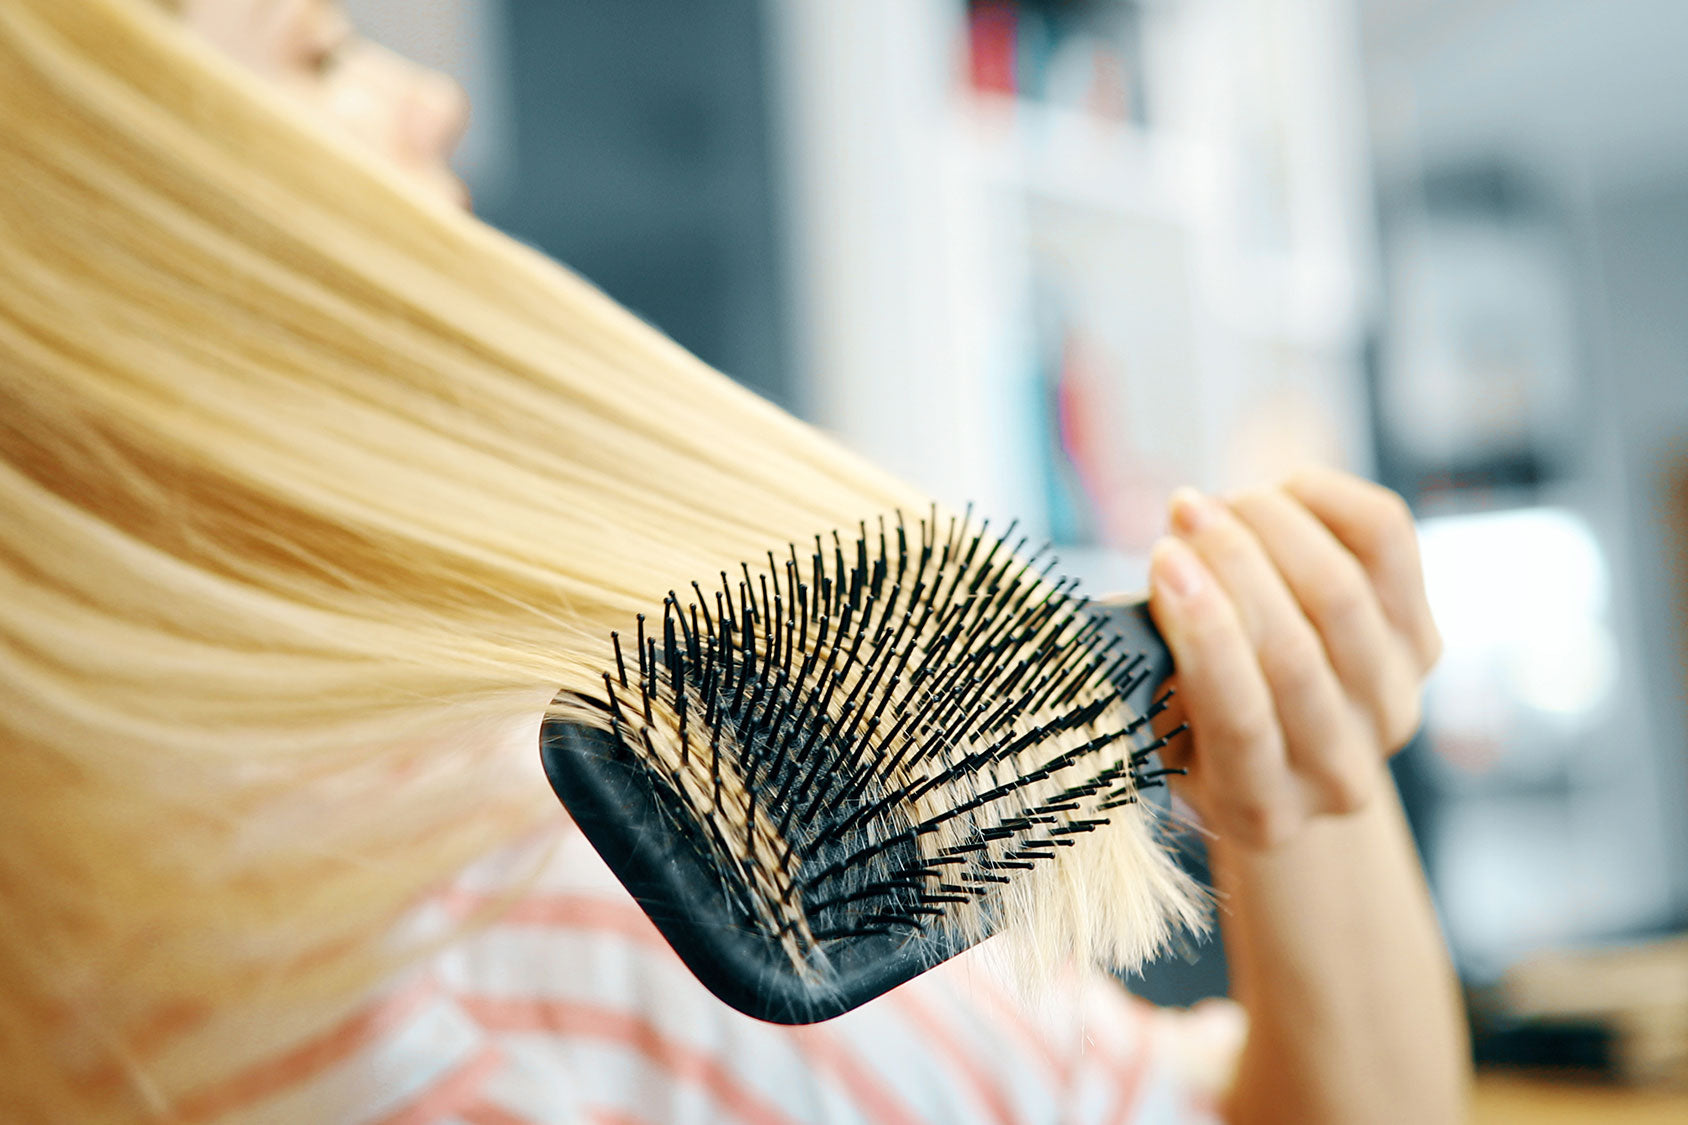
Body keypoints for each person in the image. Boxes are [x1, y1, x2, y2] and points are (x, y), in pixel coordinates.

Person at [2, 1, 1470, 1121]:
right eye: (319, 53)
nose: (434, 98)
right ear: (138, 235)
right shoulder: (521, 888)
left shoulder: (121, 966)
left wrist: (1291, 759)